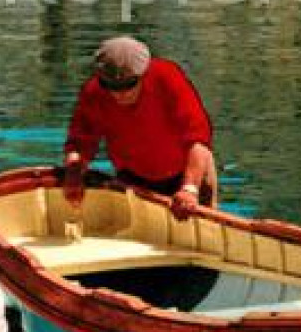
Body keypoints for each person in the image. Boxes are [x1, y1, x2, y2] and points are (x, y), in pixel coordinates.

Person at [62, 36, 217, 218]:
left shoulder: (167, 77)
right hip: (133, 177)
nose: (119, 94)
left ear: (143, 74)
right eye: (110, 86)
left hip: (188, 172)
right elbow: (80, 142)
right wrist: (74, 173)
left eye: (128, 85)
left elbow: (198, 138)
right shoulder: (94, 93)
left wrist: (190, 189)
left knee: (205, 226)